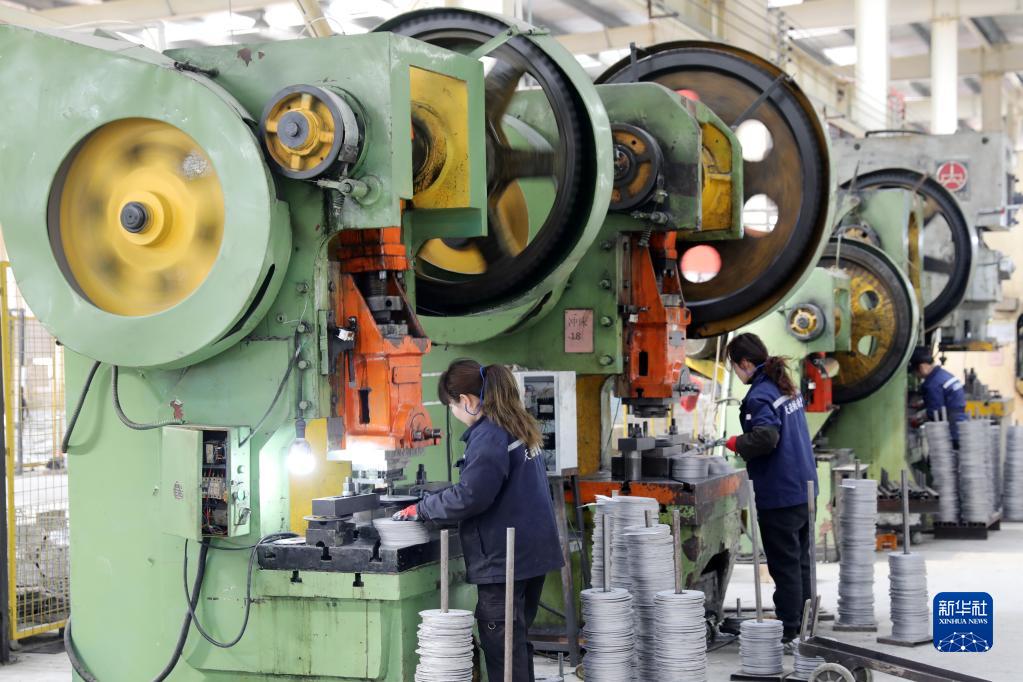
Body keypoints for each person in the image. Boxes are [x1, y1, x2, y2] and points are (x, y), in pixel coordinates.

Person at [392, 359, 563, 682]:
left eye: (452, 406)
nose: (454, 412)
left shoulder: (489, 435)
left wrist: (423, 509)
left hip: (506, 561)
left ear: (467, 401)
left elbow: (471, 495)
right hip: (531, 555)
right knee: (515, 643)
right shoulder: (517, 423)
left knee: (503, 649)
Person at [723, 333, 818, 645]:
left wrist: (736, 442)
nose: (736, 372)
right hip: (804, 488)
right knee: (801, 561)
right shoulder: (784, 385)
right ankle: (805, 623)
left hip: (780, 492)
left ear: (745, 363)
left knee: (785, 564)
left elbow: (766, 437)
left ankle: (790, 629)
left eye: (734, 365)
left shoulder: (760, 395)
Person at [909, 346, 967, 448]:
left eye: (915, 373)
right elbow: (943, 397)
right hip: (960, 423)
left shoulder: (932, 384)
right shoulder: (942, 374)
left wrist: (917, 418)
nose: (917, 376)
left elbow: (934, 411)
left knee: (948, 453)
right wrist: (922, 404)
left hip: (951, 428)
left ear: (922, 367)